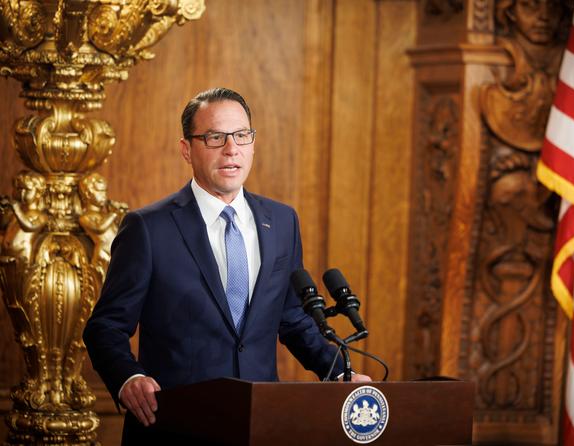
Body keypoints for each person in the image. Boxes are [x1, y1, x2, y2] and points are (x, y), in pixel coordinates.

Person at [83, 87, 371, 443]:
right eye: (215, 137)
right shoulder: (149, 228)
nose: (231, 149)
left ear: (252, 142)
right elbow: (105, 327)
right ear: (187, 149)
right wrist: (128, 378)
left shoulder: (282, 221)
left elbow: (293, 320)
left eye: (241, 135)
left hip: (262, 424)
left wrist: (339, 374)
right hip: (176, 424)